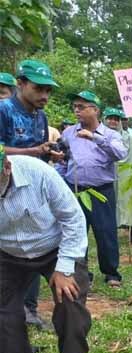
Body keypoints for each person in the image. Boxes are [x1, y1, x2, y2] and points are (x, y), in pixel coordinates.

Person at [0, 152, 92, 353]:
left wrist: (64, 268)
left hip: (55, 246)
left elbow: (73, 218)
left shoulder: (38, 172)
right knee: (3, 306)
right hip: (7, 252)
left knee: (69, 298)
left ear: (7, 168)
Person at [0, 59, 62, 330]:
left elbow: (39, 152)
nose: (44, 96)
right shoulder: (3, 111)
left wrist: (49, 152)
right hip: (5, 192)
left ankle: (30, 309)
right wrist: (33, 152)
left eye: (48, 91)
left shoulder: (40, 115)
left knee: (36, 245)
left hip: (34, 194)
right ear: (21, 84)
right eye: (39, 89)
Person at [58, 90, 127, 287]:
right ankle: (82, 272)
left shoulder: (110, 134)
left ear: (95, 110)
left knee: (105, 231)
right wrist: (60, 180)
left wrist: (95, 138)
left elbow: (120, 153)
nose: (77, 111)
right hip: (75, 189)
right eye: (75, 107)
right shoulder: (69, 132)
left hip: (101, 190)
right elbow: (63, 159)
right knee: (77, 232)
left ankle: (111, 272)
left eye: (81, 107)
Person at [103, 108, 132, 248]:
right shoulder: (99, 136)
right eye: (110, 118)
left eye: (116, 119)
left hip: (127, 174)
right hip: (106, 174)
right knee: (109, 204)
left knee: (130, 204)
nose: (113, 121)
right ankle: (110, 236)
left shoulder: (130, 138)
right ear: (104, 119)